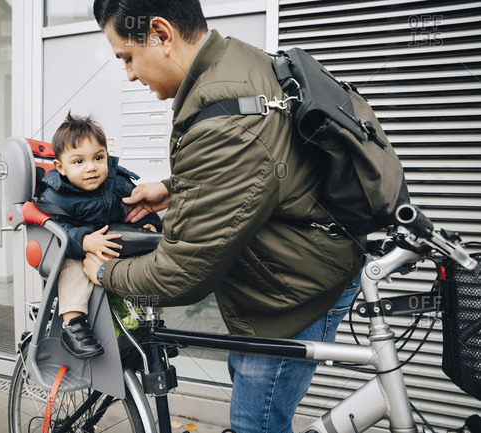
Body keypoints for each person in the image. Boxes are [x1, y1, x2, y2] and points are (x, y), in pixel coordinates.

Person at [83, 1, 365, 432]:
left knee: (256, 425)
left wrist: (106, 272)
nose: (130, 74)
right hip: (296, 270)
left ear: (161, 34)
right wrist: (174, 188)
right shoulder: (239, 60)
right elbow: (266, 166)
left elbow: (180, 274)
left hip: (290, 297)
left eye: (127, 57)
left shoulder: (223, 115)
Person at [39, 111, 161, 359]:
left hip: (114, 249)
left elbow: (137, 208)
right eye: (78, 162)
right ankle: (73, 325)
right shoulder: (56, 195)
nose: (91, 167)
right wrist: (84, 241)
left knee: (147, 268)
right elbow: (57, 230)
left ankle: (151, 327)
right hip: (78, 251)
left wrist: (150, 225)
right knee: (71, 270)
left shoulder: (118, 184)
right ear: (60, 167)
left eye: (98, 157)